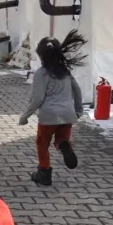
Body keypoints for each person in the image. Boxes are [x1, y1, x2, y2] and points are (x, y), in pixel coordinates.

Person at [19, 30, 87, 186]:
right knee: (62, 138)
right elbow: (77, 90)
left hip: (48, 115)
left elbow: (37, 98)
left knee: (42, 143)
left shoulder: (41, 74)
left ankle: (44, 172)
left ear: (41, 56)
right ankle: (63, 145)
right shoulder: (65, 72)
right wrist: (78, 110)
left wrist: (25, 116)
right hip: (68, 114)